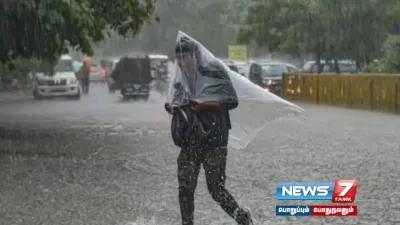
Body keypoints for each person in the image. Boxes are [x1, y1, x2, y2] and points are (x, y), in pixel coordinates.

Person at [165, 37, 253, 225]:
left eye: (185, 57)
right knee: (185, 188)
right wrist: (173, 107)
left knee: (216, 189)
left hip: (215, 139)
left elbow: (232, 101)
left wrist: (206, 105)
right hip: (190, 139)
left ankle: (241, 217)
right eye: (178, 58)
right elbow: (178, 100)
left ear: (196, 56)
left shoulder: (214, 72)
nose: (181, 62)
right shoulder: (181, 77)